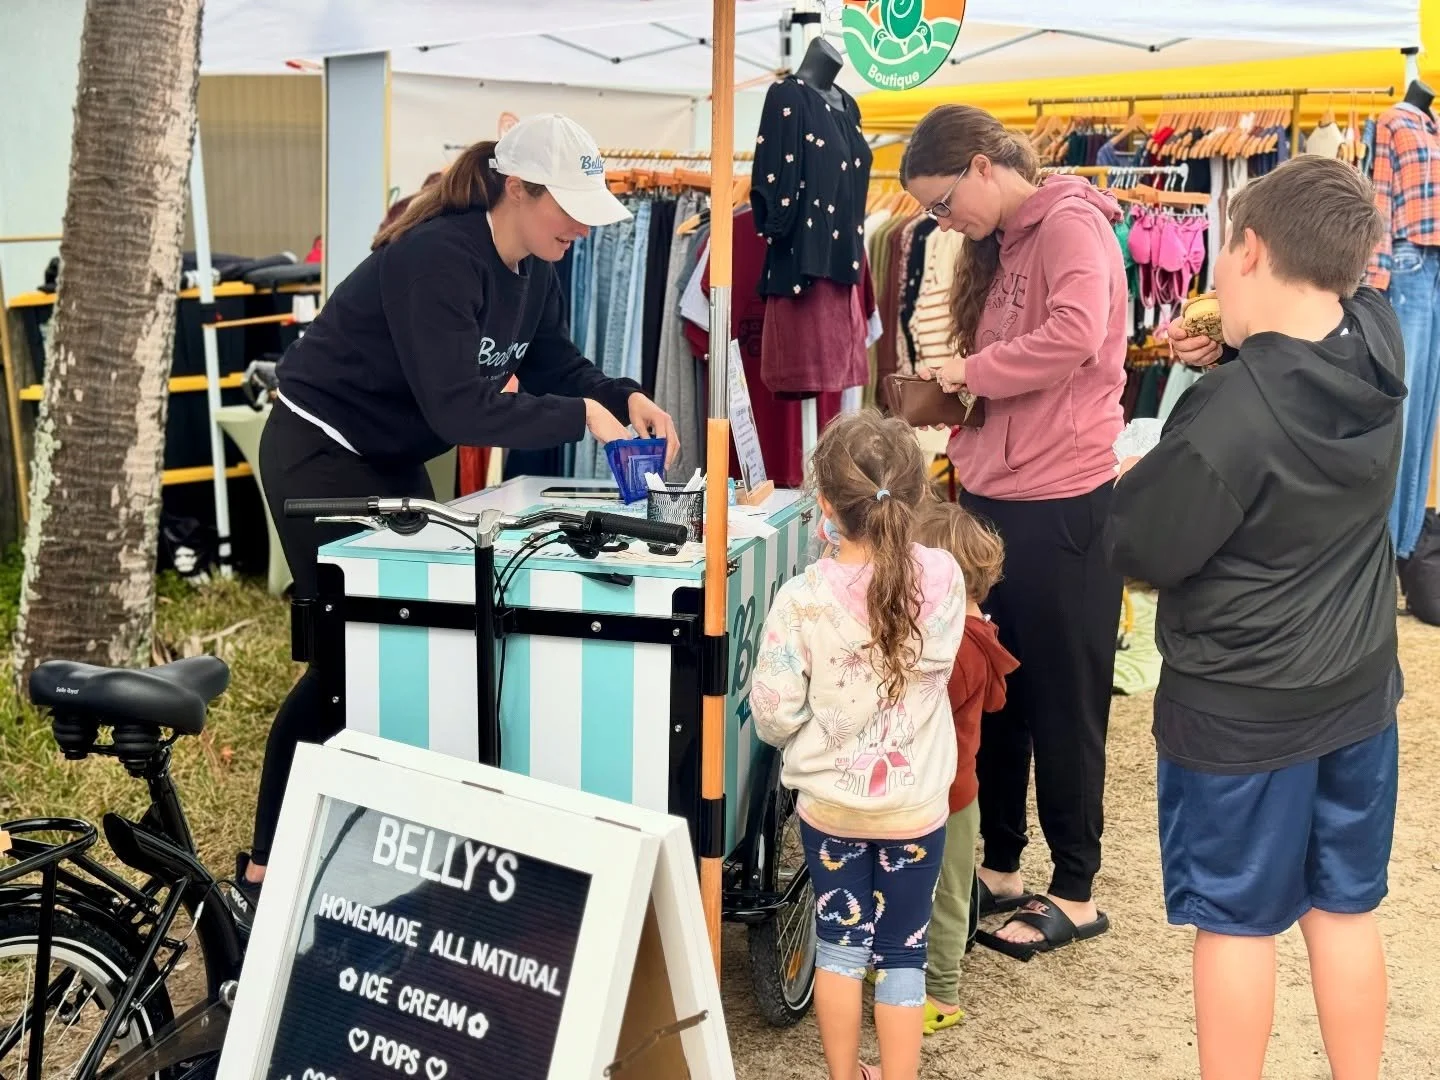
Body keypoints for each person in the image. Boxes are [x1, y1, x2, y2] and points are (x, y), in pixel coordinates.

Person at [236, 114, 679, 902]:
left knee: (424, 639)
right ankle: (268, 864)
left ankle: (398, 836)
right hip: (320, 446)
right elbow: (458, 411)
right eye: (567, 207)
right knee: (350, 654)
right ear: (517, 188)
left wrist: (624, 396)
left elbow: (554, 362)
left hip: (392, 452)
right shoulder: (436, 257)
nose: (580, 225)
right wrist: (580, 418)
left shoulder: (536, 267)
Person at [1104, 156, 1404, 1080]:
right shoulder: (1380, 338)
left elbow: (1143, 545)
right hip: (1356, 689)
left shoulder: (1230, 419)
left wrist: (1143, 464)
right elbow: (1303, 354)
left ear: (1250, 250)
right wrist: (1236, 348)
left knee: (1235, 925)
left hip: (1241, 710)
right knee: (1344, 906)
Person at [900, 103, 1126, 957]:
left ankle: (1075, 887)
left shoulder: (1070, 225)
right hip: (997, 490)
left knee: (1064, 696)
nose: (941, 220)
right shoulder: (1008, 239)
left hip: (1062, 497)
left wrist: (968, 371)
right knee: (997, 688)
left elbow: (1071, 336)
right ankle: (1000, 864)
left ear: (984, 168)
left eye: (943, 200)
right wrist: (960, 393)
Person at [750, 410, 968, 1080]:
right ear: (917, 496)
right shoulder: (946, 579)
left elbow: (773, 714)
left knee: (841, 949)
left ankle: (845, 1076)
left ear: (824, 507)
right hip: (915, 808)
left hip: (832, 810)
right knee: (903, 952)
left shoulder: (800, 601)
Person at [912, 501, 1018, 1035]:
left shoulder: (956, 648)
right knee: (940, 888)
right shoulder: (979, 636)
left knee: (947, 895)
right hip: (957, 790)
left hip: (943, 793)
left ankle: (942, 992)